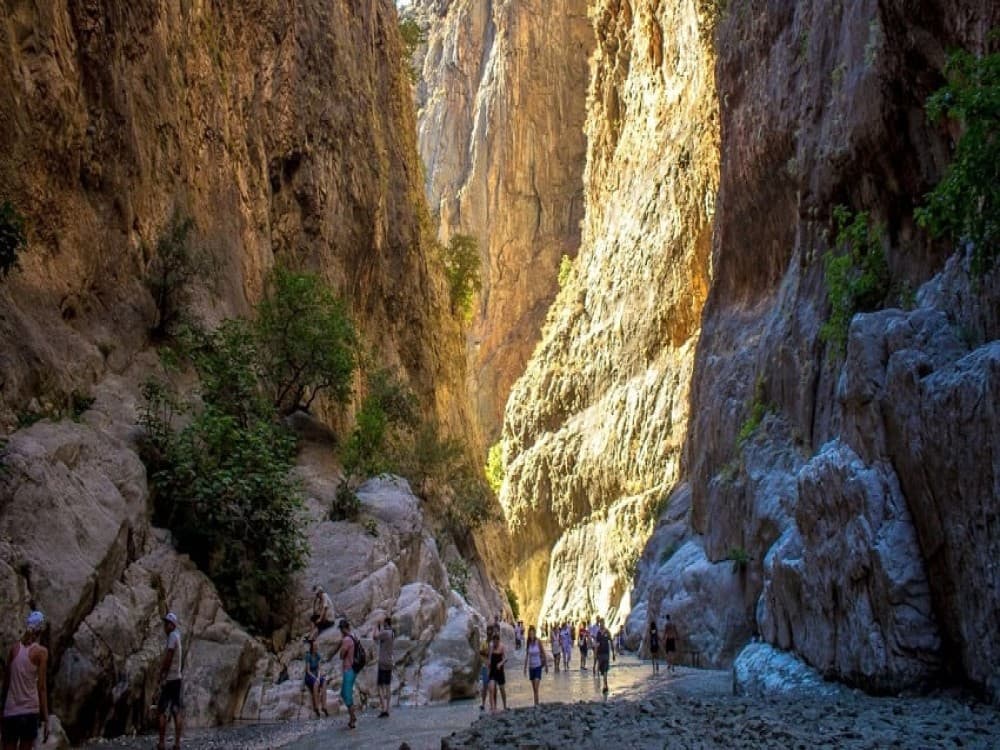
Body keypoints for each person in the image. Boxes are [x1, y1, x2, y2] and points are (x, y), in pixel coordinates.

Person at [2, 611, 49, 750]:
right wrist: (46, 718)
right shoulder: (41, 652)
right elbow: (41, 687)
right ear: (40, 630)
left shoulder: (14, 649)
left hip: (10, 711)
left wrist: (1, 710)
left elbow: (6, 684)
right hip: (29, 712)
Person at [156, 612, 183, 750]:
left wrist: (161, 673)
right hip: (177, 678)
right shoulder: (177, 636)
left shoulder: (172, 636)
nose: (164, 626)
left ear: (172, 625)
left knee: (161, 710)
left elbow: (169, 657)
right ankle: (177, 744)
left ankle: (161, 743)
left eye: (166, 623)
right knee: (176, 710)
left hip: (170, 679)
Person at [338, 620, 358, 729]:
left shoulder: (346, 639)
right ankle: (352, 717)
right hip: (353, 669)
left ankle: (353, 718)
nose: (340, 631)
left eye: (340, 629)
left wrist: (341, 648)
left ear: (343, 628)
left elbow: (341, 655)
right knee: (344, 693)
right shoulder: (354, 636)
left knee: (347, 695)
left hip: (348, 670)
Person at [522, 626, 548, 706]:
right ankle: (536, 703)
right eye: (530, 634)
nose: (531, 635)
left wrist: (546, 665)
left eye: (532, 633)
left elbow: (543, 653)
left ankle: (537, 704)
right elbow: (527, 655)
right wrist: (525, 668)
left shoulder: (538, 642)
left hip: (538, 666)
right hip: (531, 667)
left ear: (534, 633)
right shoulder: (528, 642)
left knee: (536, 687)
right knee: (534, 689)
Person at [374, 618, 394, 717]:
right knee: (388, 686)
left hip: (383, 662)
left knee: (380, 686)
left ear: (386, 623)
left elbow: (375, 637)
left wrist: (375, 627)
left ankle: (383, 708)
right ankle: (388, 708)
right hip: (390, 661)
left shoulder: (385, 632)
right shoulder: (392, 632)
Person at [303, 640, 328, 718]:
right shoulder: (308, 655)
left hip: (316, 675)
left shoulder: (318, 655)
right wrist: (315, 678)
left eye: (317, 645)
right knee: (316, 683)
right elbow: (308, 670)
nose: (316, 647)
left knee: (324, 682)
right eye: (315, 646)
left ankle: (324, 706)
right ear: (312, 647)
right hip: (309, 676)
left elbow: (319, 668)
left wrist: (319, 676)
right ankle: (316, 707)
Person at [487, 632, 507, 712]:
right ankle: (493, 707)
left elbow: (505, 658)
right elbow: (489, 658)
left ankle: (505, 706)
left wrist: (500, 663)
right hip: (492, 670)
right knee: (492, 688)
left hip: (500, 670)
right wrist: (488, 665)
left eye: (496, 642)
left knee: (501, 689)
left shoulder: (502, 646)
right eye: (494, 641)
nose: (495, 643)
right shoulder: (491, 646)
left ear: (498, 641)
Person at [594, 621, 615, 695]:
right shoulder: (598, 633)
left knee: (605, 670)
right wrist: (595, 656)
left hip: (606, 654)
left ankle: (605, 686)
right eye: (600, 625)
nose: (601, 626)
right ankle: (605, 685)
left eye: (602, 624)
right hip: (600, 655)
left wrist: (613, 654)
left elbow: (611, 642)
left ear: (604, 624)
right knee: (602, 671)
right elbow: (597, 645)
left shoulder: (607, 632)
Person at [478, 640, 490, 711]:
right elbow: (480, 653)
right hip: (485, 667)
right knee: (485, 687)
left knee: (492, 686)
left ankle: (492, 704)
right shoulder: (484, 643)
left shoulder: (495, 642)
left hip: (491, 667)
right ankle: (483, 703)